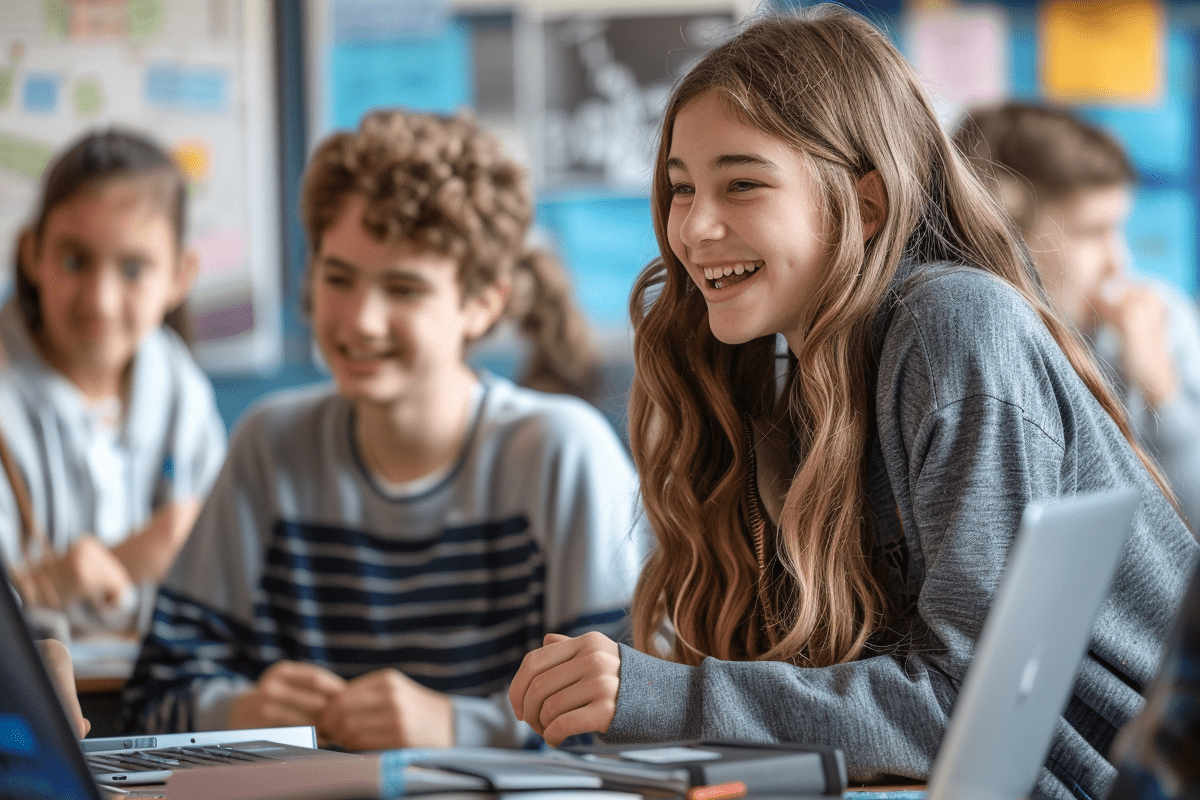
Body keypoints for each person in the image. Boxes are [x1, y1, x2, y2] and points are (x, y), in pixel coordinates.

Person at [506, 6, 1198, 799]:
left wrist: (665, 696)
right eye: (679, 189)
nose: (693, 227)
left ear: (864, 206)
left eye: (742, 184)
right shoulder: (790, 384)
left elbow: (975, 715)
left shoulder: (952, 326)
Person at [119, 109, 644, 751]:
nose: (361, 320)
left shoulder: (563, 453)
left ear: (484, 303)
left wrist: (457, 727)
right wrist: (241, 709)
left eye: (404, 288)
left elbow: (629, 722)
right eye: (338, 277)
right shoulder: (268, 445)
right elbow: (152, 696)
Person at [0, 128, 227, 636]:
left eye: (133, 268)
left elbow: (225, 602)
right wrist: (103, 568)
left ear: (180, 276)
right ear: (33, 254)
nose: (99, 300)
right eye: (74, 261)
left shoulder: (183, 391)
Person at [952, 101, 1200, 531]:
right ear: (1004, 232)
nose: (1118, 262)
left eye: (1118, 228)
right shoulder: (973, 346)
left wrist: (1162, 391)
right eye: (1091, 232)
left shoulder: (1162, 322)